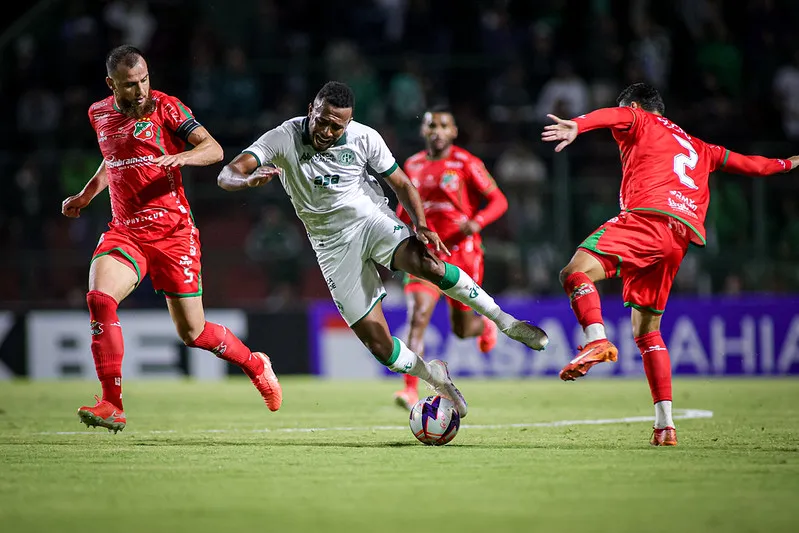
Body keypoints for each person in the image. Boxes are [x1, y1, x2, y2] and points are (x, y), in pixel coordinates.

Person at [216, 81, 549, 418]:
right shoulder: (282, 137)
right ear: (310, 110)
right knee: (380, 347)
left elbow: (401, 183)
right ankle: (434, 377)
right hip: (330, 247)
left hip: (370, 220)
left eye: (337, 126)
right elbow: (227, 174)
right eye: (323, 121)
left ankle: (505, 322)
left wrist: (420, 225)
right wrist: (246, 181)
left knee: (428, 265)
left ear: (348, 123)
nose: (328, 131)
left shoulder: (364, 137)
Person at [541, 82, 799, 446]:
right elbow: (753, 166)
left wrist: (578, 125)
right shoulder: (700, 146)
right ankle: (665, 426)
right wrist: (789, 162)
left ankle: (596, 340)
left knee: (575, 271)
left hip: (647, 218)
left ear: (637, 105)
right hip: (679, 238)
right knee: (648, 333)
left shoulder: (639, 118)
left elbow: (614, 115)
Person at [61, 45, 282, 434]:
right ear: (112, 84)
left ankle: (254, 363)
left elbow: (213, 150)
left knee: (193, 333)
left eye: (145, 80)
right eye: (131, 85)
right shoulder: (99, 113)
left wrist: (182, 158)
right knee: (99, 298)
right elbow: (111, 159)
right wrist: (86, 193)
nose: (141, 90)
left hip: (173, 233)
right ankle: (112, 403)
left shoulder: (167, 108)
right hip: (126, 230)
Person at [393, 106, 509, 409]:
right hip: (426, 254)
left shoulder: (466, 162)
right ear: (424, 131)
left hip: (462, 254)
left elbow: (499, 200)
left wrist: (477, 222)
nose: (437, 131)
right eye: (432, 125)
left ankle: (484, 326)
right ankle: (409, 390)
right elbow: (403, 212)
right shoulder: (413, 165)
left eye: (444, 125)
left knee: (460, 329)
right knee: (418, 317)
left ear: (454, 131)